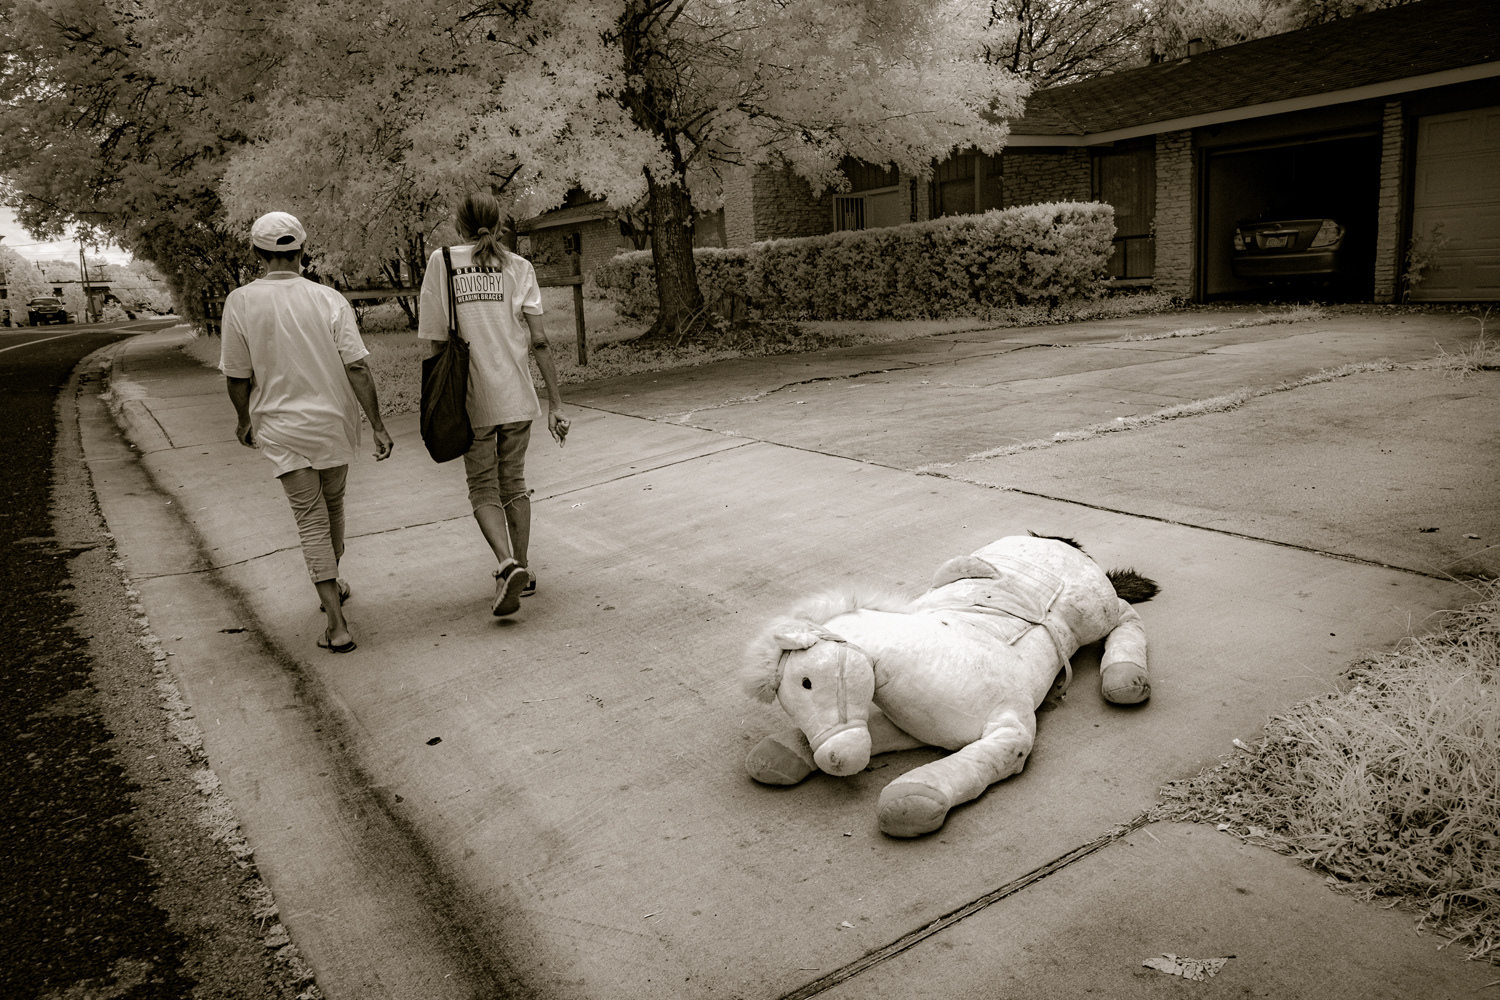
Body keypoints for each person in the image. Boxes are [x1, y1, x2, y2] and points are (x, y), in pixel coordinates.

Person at [220, 211, 394, 652]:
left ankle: (336, 624)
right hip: (332, 423)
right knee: (332, 509)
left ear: (258, 253)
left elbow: (237, 376)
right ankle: (332, 587)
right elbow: (356, 365)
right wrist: (377, 425)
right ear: (301, 250)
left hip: (280, 427)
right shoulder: (328, 298)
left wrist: (243, 420)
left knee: (309, 519)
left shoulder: (240, 301)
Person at [417, 192, 566, 618]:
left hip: (471, 399)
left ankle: (506, 564)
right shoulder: (519, 267)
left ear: (458, 223)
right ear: (499, 223)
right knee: (514, 483)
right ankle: (524, 566)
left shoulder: (442, 262)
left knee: (483, 486)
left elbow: (434, 342)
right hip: (517, 395)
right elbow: (539, 340)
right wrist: (556, 403)